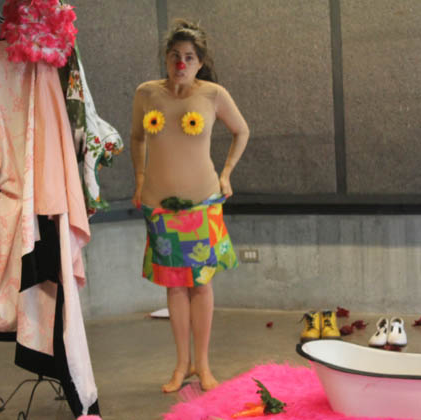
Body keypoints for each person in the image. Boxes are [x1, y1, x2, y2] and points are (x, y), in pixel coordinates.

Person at [130, 19, 249, 393]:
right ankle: (182, 365)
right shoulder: (147, 93)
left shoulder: (213, 94)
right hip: (160, 207)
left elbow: (241, 131)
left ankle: (204, 364)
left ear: (200, 62)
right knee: (174, 287)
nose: (181, 63)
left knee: (201, 284)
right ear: (166, 58)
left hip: (202, 204)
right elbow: (137, 137)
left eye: (189, 57)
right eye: (174, 56)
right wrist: (139, 179)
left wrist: (226, 174)